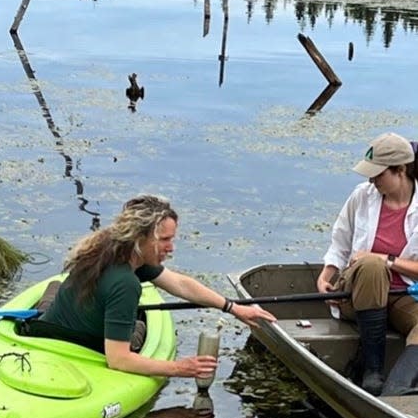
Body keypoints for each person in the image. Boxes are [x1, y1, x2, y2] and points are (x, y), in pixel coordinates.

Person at [35, 194, 276, 379]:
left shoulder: (110, 248)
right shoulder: (126, 283)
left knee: (56, 291)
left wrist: (233, 307)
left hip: (47, 331)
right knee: (139, 327)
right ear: (140, 238)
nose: (171, 247)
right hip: (79, 348)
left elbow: (180, 284)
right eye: (164, 240)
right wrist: (180, 368)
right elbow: (118, 360)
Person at [316, 132, 418, 396]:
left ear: (400, 170)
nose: (372, 180)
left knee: (376, 263)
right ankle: (372, 371)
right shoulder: (362, 195)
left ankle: (397, 388)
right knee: (372, 268)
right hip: (356, 294)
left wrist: (386, 260)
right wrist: (325, 278)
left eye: (379, 174)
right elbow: (339, 244)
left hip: (401, 294)